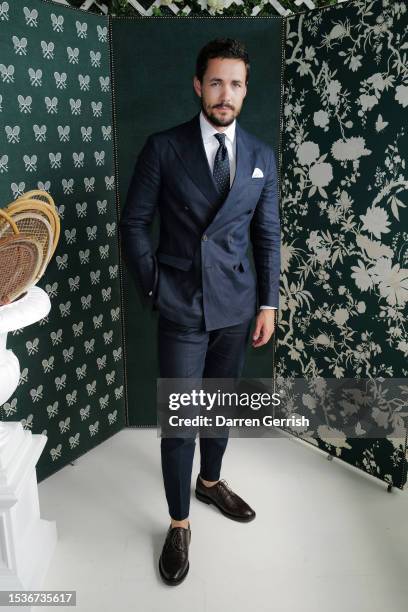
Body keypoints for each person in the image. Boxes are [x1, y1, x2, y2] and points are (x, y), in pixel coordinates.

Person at [119, 38, 280, 586]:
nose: (225, 94)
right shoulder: (164, 148)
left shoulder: (260, 155)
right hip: (182, 305)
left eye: (235, 84)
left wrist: (268, 303)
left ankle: (210, 483)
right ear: (197, 85)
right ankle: (179, 521)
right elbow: (133, 223)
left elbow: (267, 234)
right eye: (215, 82)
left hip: (237, 307)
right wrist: (155, 287)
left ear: (245, 89)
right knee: (182, 420)